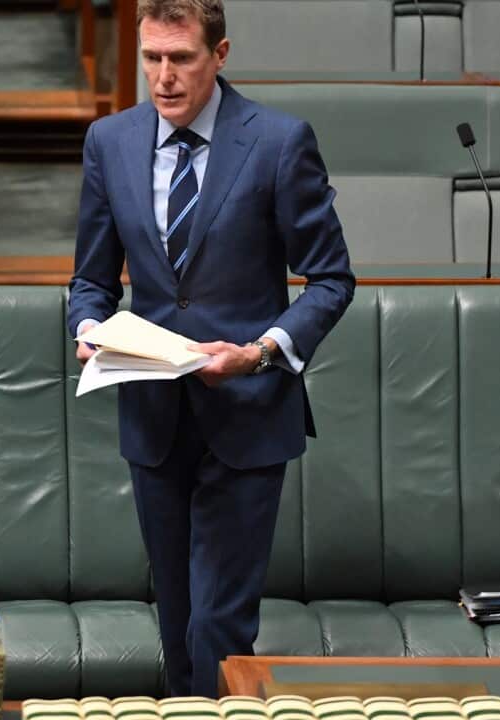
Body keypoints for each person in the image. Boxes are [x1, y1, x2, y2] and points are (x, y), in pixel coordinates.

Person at [66, 0, 355, 698]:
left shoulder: (278, 142)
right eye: (152, 59)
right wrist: (88, 327)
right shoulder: (110, 141)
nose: (164, 77)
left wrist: (260, 352)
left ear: (219, 55)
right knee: (176, 620)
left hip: (248, 411)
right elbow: (91, 279)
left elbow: (331, 279)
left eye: (182, 58)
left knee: (218, 627)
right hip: (153, 415)